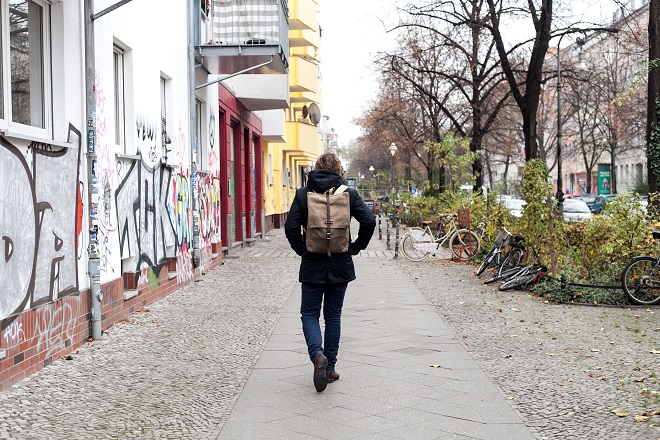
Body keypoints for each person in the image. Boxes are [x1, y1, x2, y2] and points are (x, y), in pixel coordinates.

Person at [284, 153, 376, 392]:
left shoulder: (303, 195)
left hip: (312, 263)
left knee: (309, 314)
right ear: (338, 170)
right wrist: (356, 247)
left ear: (315, 169)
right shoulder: (349, 194)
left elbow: (291, 227)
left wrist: (302, 249)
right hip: (340, 263)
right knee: (333, 316)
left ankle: (317, 355)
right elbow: (369, 221)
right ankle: (330, 366)